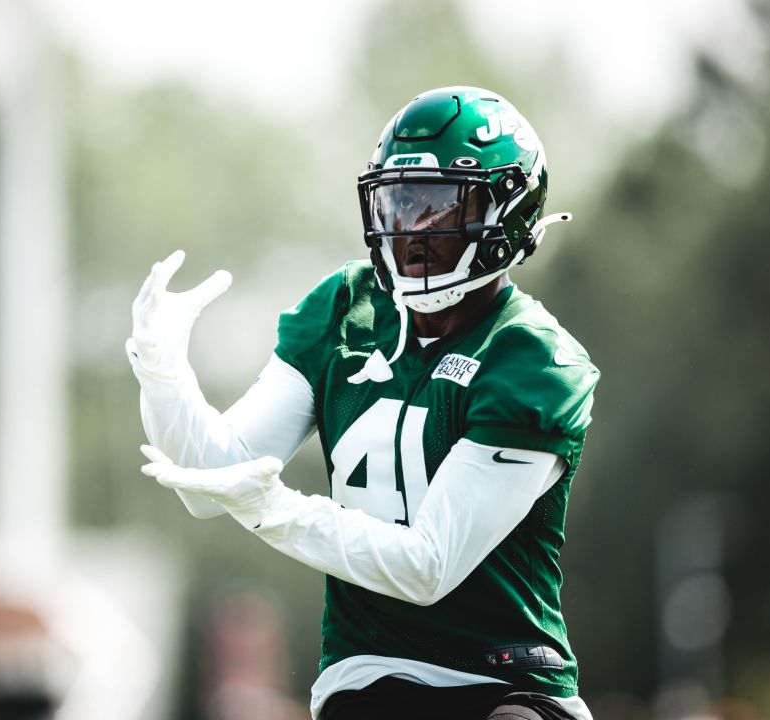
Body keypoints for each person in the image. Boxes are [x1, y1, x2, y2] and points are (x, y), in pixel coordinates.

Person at [126, 86, 600, 720]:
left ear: (507, 210)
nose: (412, 230)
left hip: (506, 681)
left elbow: (428, 566)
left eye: (440, 206)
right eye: (400, 203)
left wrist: (277, 509)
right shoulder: (345, 308)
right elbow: (210, 477)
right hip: (369, 675)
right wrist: (162, 375)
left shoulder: (534, 359)